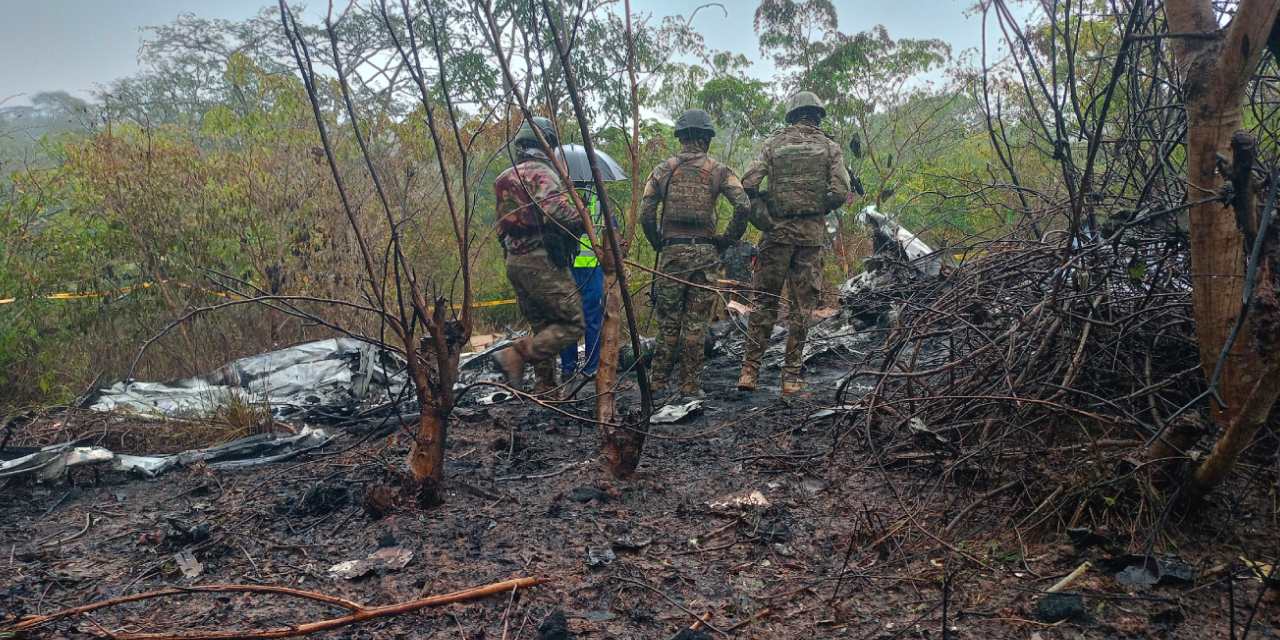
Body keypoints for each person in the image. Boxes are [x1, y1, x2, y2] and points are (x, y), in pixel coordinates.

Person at [737, 91, 851, 396]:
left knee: (764, 302)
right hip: (809, 239)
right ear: (817, 115)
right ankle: (790, 377)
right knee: (803, 308)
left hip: (776, 236)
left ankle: (749, 371)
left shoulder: (773, 144)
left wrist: (765, 218)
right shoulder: (830, 147)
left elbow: (747, 184)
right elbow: (840, 190)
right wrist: (816, 209)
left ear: (792, 115)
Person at [640, 109, 752, 398]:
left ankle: (657, 384)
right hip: (705, 253)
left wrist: (657, 242)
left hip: (671, 253)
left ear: (681, 138)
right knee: (696, 325)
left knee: (668, 324)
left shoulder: (663, 170)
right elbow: (743, 206)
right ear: (706, 139)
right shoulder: (719, 170)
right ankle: (690, 386)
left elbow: (646, 211)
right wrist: (725, 241)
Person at [491, 117, 585, 394]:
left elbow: (500, 226)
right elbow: (555, 210)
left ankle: (546, 389)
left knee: (542, 323)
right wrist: (581, 217)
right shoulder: (542, 173)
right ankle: (517, 354)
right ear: (547, 144)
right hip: (540, 259)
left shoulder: (504, 178)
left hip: (514, 260)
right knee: (573, 322)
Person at [559, 186, 605, 381]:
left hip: (576, 266)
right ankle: (588, 367)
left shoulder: (560, 196)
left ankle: (571, 368)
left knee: (571, 318)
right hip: (586, 265)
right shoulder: (598, 199)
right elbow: (611, 230)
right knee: (589, 319)